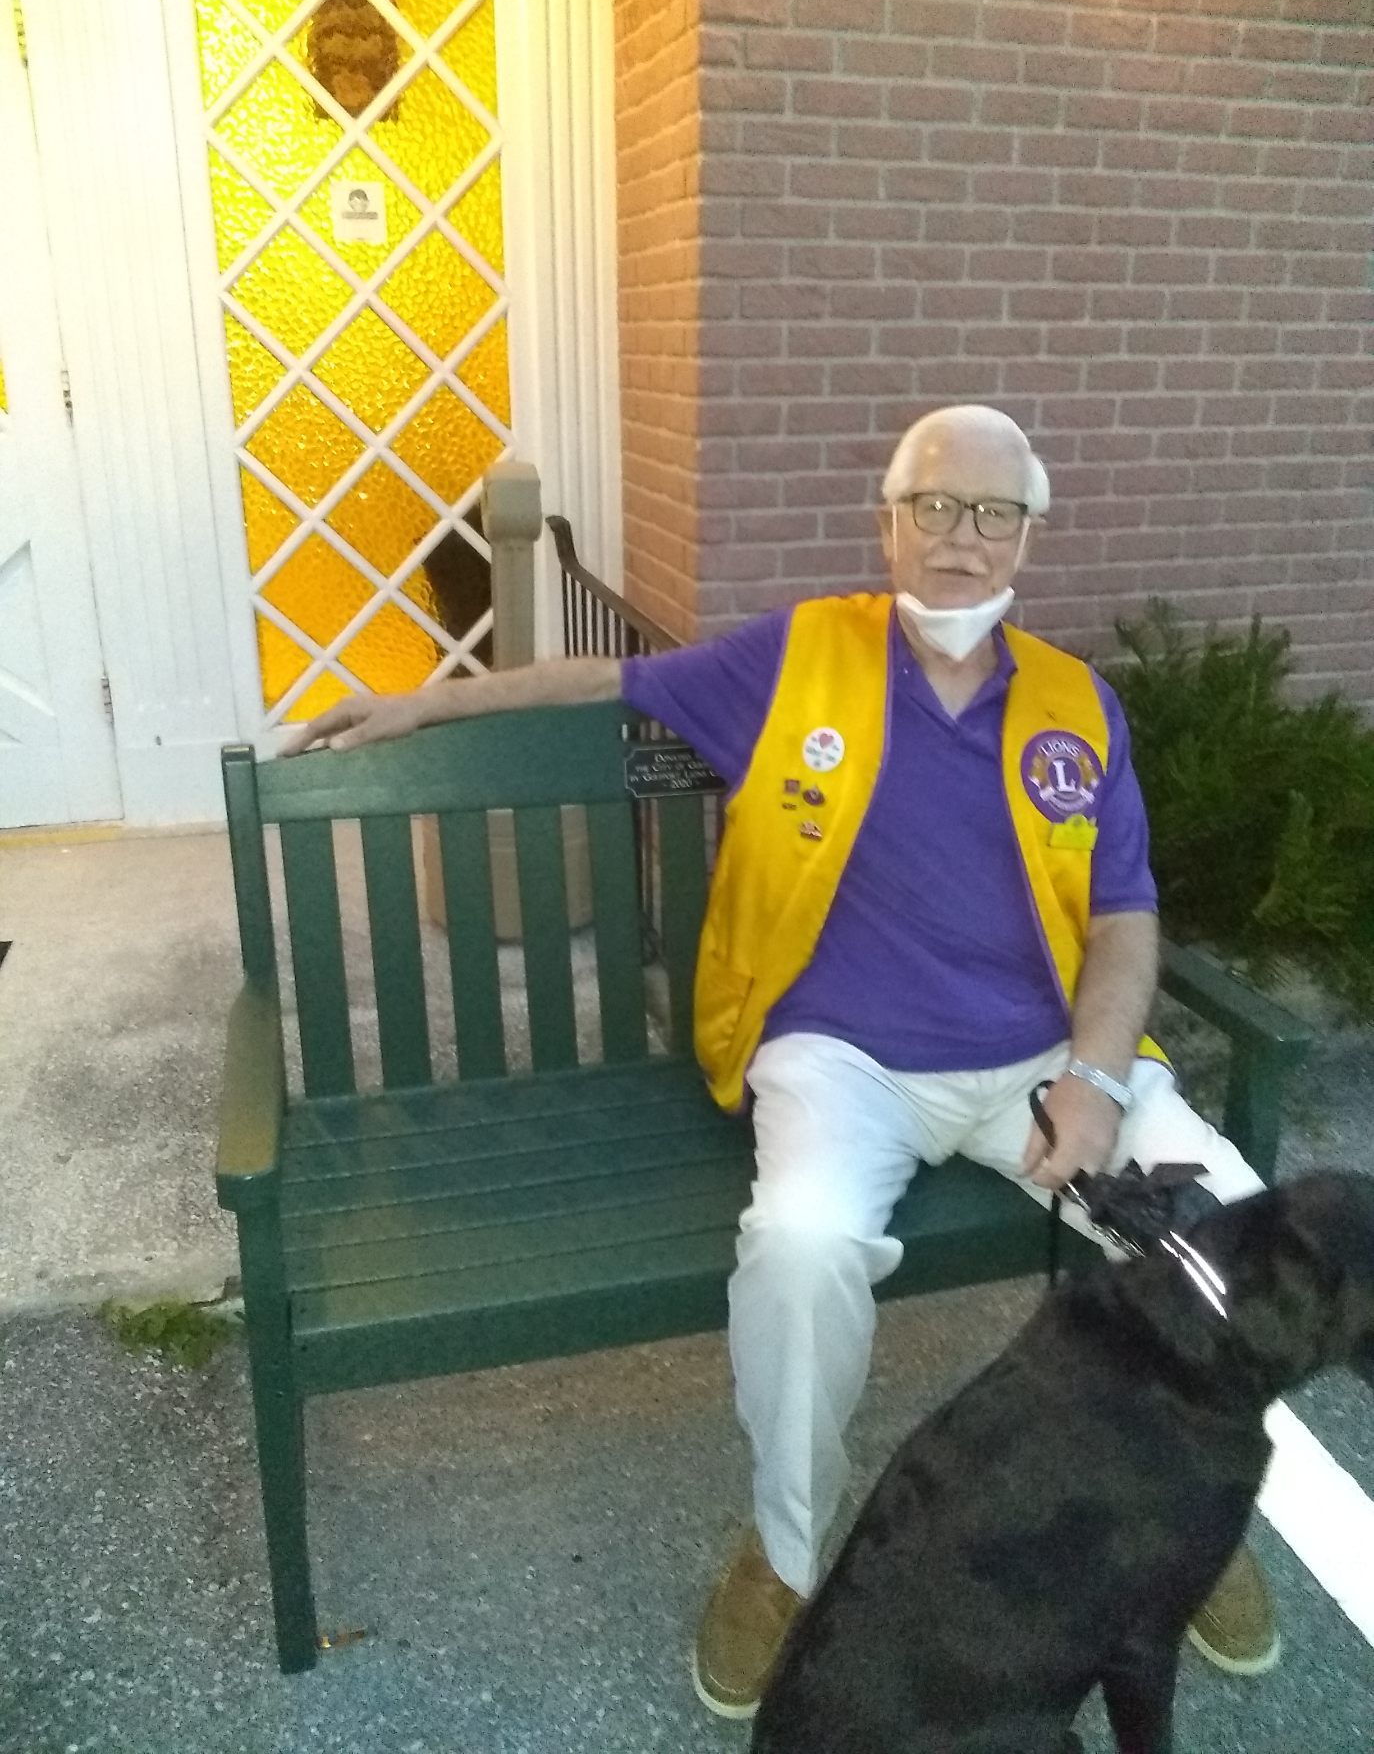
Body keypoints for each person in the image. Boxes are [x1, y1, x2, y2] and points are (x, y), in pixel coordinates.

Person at [282, 404, 1280, 1717]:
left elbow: (1122, 917)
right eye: (930, 505)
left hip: (1046, 1058)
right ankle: (789, 1554)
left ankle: (1196, 1512)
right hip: (843, 1059)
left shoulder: (1071, 703)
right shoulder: (796, 657)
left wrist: (1093, 1086)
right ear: (886, 519)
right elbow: (599, 683)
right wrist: (418, 702)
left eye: (989, 512)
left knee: (1231, 1238)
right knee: (801, 1249)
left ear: (1027, 532)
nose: (957, 538)